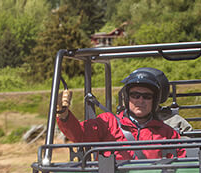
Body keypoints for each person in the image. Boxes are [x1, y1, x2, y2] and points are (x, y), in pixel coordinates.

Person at [56, 67, 184, 160]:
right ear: (127, 98)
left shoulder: (167, 133)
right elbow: (79, 135)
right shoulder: (107, 123)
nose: (140, 100)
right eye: (135, 95)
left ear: (154, 101)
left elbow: (180, 165)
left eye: (147, 96)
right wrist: (63, 113)